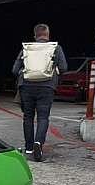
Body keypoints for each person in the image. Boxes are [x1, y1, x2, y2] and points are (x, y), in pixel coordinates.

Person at [12, 23, 67, 162]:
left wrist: (24, 73)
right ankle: (38, 143)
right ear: (47, 35)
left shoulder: (27, 48)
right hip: (47, 87)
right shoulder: (56, 48)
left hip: (27, 86)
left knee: (28, 117)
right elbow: (64, 67)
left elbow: (14, 70)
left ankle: (29, 147)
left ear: (35, 35)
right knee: (43, 117)